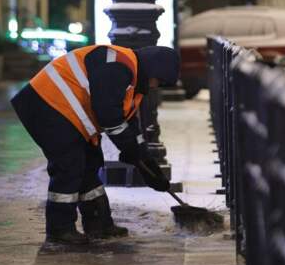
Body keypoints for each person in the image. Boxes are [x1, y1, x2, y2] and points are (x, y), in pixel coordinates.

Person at [11, 45, 179, 244]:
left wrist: (145, 161)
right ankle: (60, 229)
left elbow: (129, 122)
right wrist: (130, 149)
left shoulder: (133, 81)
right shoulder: (118, 66)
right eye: (158, 81)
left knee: (91, 164)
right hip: (46, 105)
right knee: (69, 166)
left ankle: (99, 224)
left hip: (68, 113)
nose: (155, 86)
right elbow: (108, 116)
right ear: (153, 69)